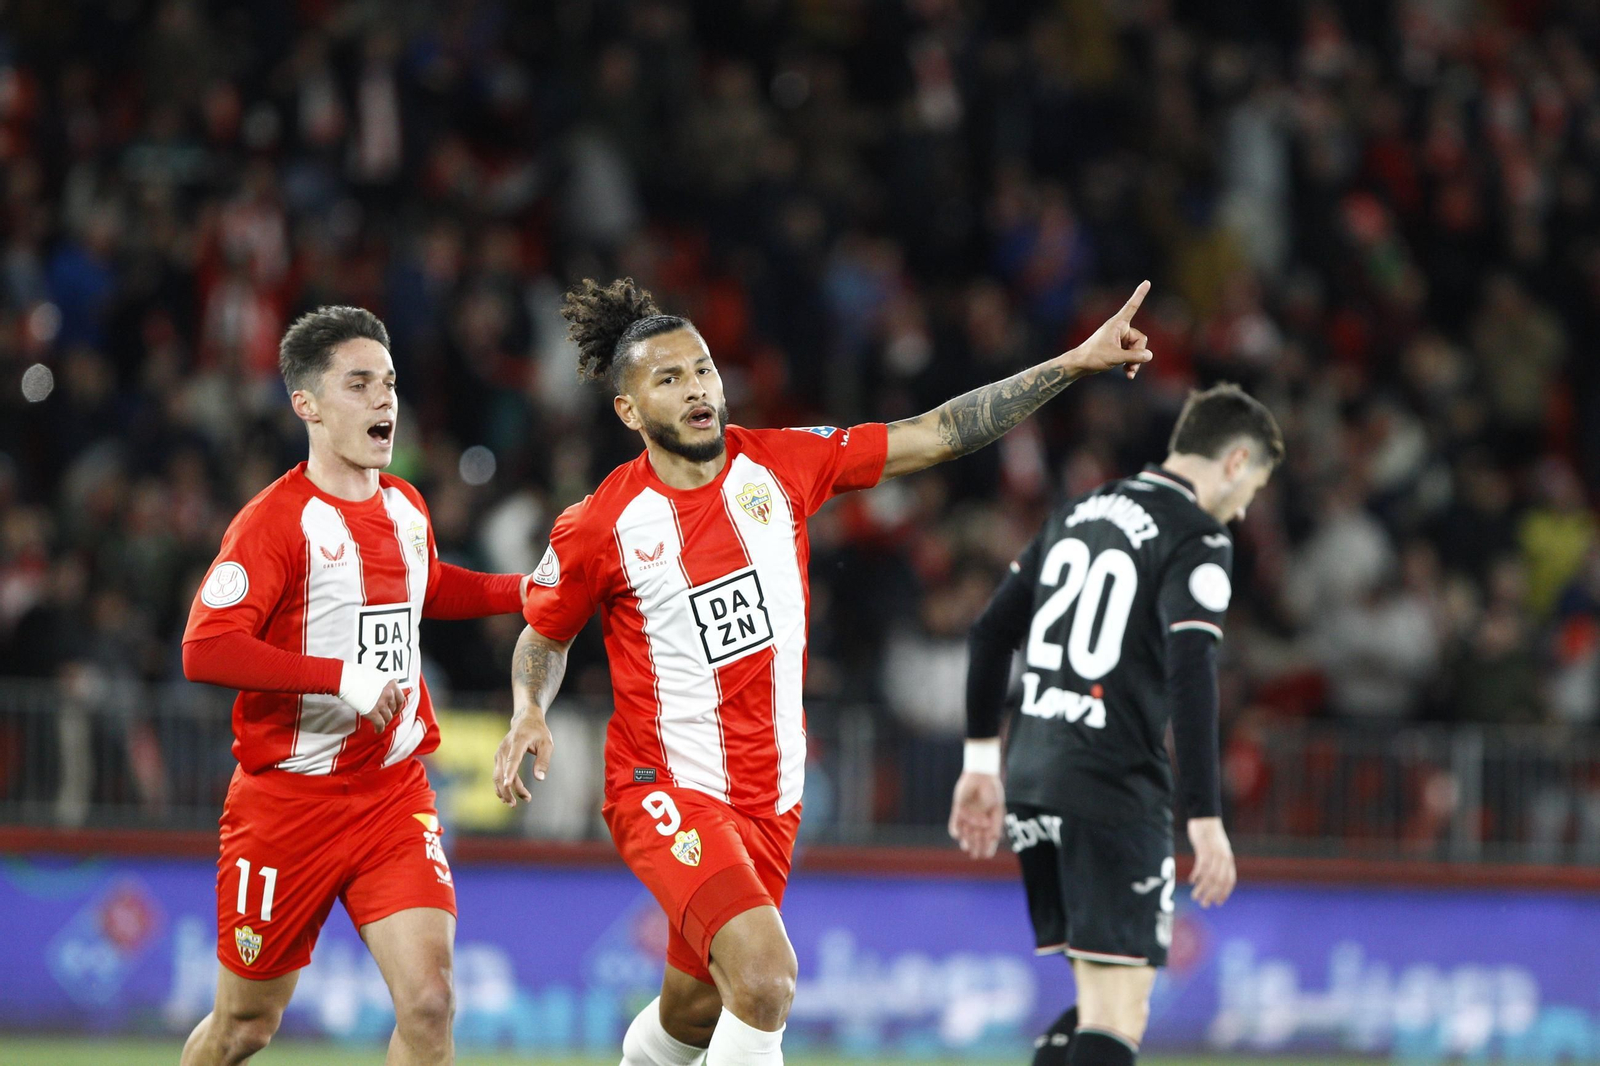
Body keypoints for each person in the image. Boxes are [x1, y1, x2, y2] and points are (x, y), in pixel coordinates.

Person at [492, 276, 1155, 1066]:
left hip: (773, 797)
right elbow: (543, 634)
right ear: (629, 412)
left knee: (694, 1012)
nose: (699, 389)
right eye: (668, 379)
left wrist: (1073, 364)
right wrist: (529, 708)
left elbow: (937, 431)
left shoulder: (781, 465)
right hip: (664, 786)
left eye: (703, 368)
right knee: (767, 980)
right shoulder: (602, 523)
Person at [179, 306, 531, 1066]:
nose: (385, 400)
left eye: (391, 383)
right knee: (245, 1026)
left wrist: (522, 591)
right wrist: (341, 679)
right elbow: (205, 649)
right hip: (286, 804)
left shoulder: (406, 503)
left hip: (391, 793)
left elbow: (427, 586)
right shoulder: (274, 523)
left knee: (431, 1003)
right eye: (360, 383)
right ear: (307, 404)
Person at [949, 383, 1283, 1066]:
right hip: (1112, 786)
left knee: (1098, 1000)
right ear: (1234, 458)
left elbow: (989, 634)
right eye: (1253, 485)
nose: (1246, 505)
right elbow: (1194, 675)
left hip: (1034, 776)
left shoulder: (1081, 510)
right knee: (1118, 1012)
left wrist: (981, 766)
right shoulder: (1197, 536)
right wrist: (1206, 815)